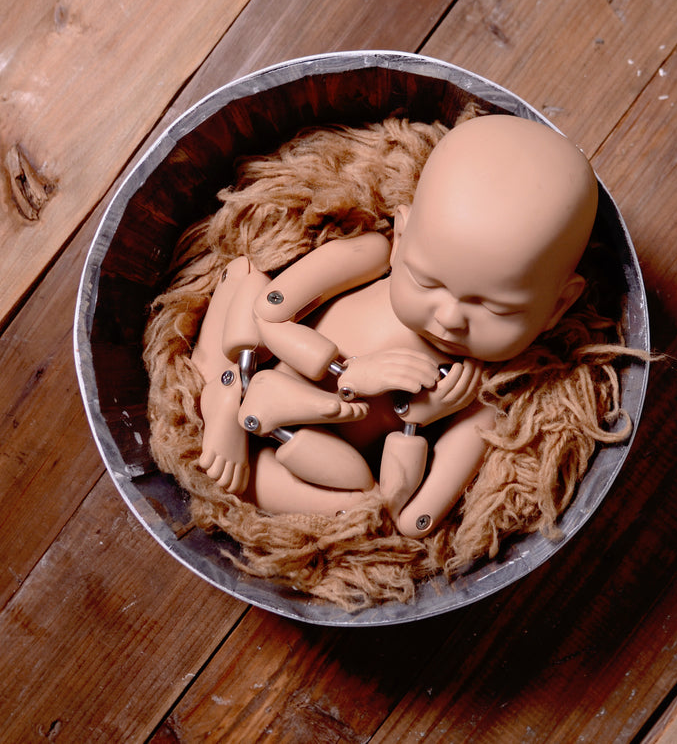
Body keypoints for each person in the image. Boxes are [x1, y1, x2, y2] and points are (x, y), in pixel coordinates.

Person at [189, 114, 598, 537]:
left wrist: (416, 421)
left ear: (558, 306)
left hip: (316, 456)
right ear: (401, 238)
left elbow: (411, 516)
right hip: (260, 364)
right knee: (245, 279)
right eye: (426, 281)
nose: (449, 318)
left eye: (495, 309)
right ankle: (223, 392)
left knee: (356, 500)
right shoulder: (369, 253)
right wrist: (346, 373)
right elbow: (270, 313)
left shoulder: (480, 397)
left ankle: (268, 420)